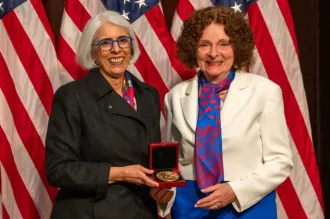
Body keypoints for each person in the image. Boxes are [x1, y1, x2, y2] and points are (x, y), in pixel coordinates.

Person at [151, 6, 293, 219]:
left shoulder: (265, 91)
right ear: (193, 49)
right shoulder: (175, 96)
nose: (213, 53)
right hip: (191, 206)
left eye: (223, 44)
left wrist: (235, 191)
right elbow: (173, 164)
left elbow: (280, 161)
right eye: (204, 45)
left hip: (247, 205)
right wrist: (165, 196)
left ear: (237, 48)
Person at [46, 10, 161, 219]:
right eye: (105, 43)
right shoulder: (72, 96)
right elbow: (58, 169)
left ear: (131, 45)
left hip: (140, 210)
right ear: (93, 52)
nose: (116, 49)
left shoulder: (149, 94)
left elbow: (153, 161)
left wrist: (161, 189)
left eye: (122, 40)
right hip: (90, 211)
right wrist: (120, 173)